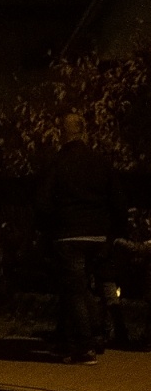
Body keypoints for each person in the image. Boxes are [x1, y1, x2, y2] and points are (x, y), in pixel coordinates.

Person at [36, 114, 127, 365]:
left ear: (63, 133)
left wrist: (50, 228)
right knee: (84, 288)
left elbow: (43, 202)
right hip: (98, 234)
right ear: (83, 132)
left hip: (69, 234)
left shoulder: (58, 163)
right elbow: (117, 199)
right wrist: (114, 231)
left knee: (74, 289)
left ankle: (85, 344)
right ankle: (90, 335)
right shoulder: (100, 162)